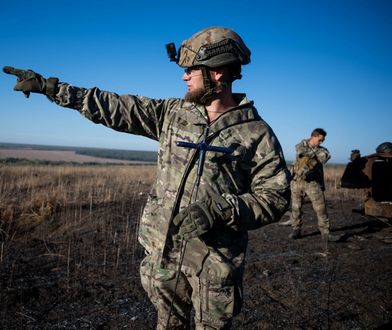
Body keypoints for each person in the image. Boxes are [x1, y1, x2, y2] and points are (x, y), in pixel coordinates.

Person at [4, 26, 291, 330]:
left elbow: (275, 197)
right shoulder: (172, 114)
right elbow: (112, 105)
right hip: (163, 254)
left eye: (190, 69)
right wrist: (53, 89)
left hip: (215, 262)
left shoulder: (256, 134)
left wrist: (220, 210)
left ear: (218, 72)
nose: (184, 76)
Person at [289, 128, 334, 241]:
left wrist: (312, 156)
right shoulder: (301, 145)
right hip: (297, 181)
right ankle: (296, 230)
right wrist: (313, 155)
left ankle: (325, 233)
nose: (321, 142)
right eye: (320, 140)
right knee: (296, 208)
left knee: (320, 208)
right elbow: (300, 151)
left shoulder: (323, 150)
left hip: (313, 183)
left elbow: (324, 157)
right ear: (314, 136)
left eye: (322, 141)